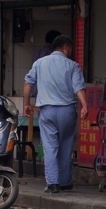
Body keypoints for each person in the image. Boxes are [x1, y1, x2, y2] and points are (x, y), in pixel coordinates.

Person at [23, 34, 88, 194]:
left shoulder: (39, 63)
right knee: (66, 146)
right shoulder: (73, 66)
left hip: (47, 112)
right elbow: (78, 87)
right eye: (70, 49)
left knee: (50, 147)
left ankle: (53, 183)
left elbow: (27, 83)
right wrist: (85, 105)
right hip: (67, 111)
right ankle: (65, 182)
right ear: (65, 48)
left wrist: (26, 104)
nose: (71, 52)